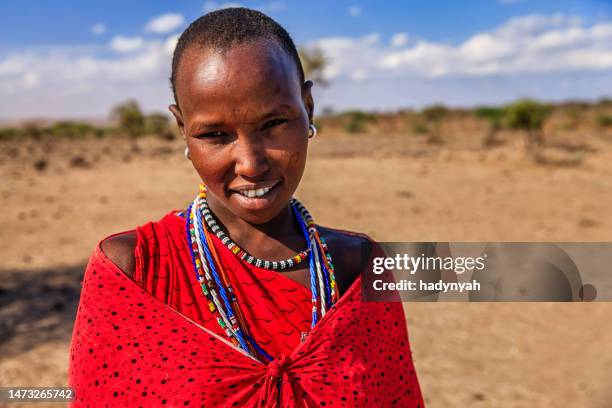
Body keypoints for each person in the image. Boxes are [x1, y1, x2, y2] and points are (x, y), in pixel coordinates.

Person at [69, 7, 424, 407]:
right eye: (215, 134)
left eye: (274, 124)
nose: (251, 164)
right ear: (182, 128)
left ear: (307, 106)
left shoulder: (356, 267)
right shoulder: (134, 270)